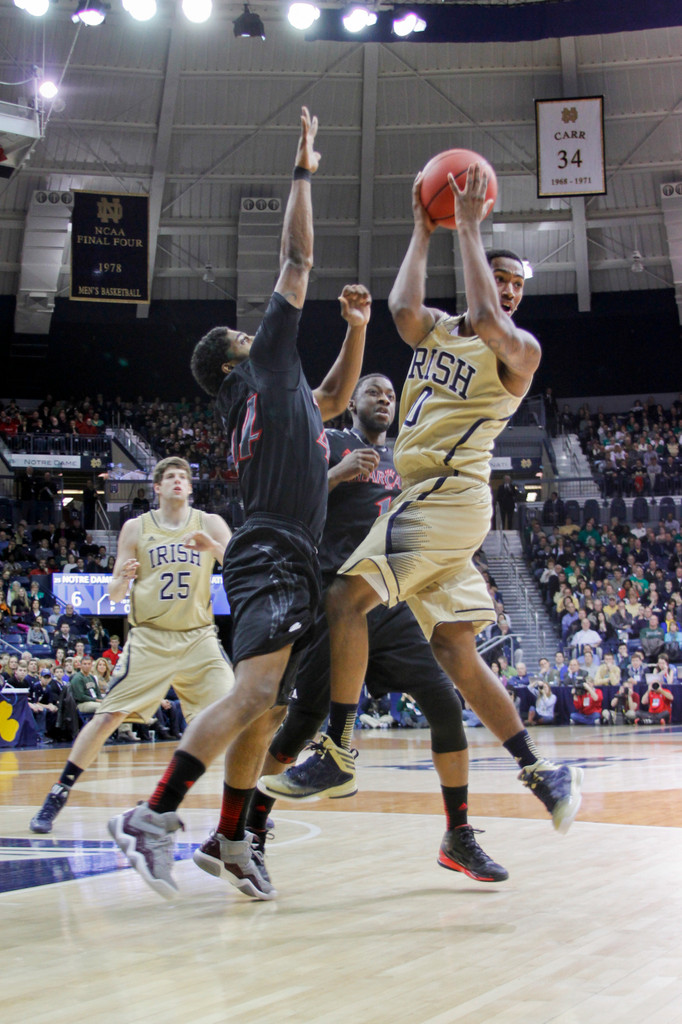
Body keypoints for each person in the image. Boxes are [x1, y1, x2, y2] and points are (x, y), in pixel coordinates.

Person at [261, 159, 582, 834]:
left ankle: (339, 752)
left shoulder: (518, 349)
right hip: (428, 500)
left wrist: (467, 228)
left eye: (520, 284)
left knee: (347, 597)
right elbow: (404, 311)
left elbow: (491, 322)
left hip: (448, 497)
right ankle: (539, 771)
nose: (512, 291)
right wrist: (422, 226)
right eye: (503, 278)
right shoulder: (439, 328)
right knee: (457, 651)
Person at [108, 108, 371, 901]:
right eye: (243, 333)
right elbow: (298, 255)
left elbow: (331, 398)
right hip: (271, 550)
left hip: (286, 549)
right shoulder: (260, 367)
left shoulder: (269, 389)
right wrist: (303, 171)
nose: (254, 333)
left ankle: (228, 838)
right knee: (253, 696)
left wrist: (355, 328)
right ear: (234, 356)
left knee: (266, 710)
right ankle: (155, 816)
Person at [253, 373, 508, 882]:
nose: (385, 400)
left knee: (444, 704)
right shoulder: (330, 444)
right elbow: (291, 506)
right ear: (352, 403)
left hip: (393, 600)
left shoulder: (406, 459)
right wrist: (336, 474)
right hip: (338, 596)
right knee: (303, 724)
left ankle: (458, 836)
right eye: (374, 392)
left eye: (392, 394)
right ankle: (250, 831)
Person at [29, 455, 234, 834]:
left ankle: (242, 806)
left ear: (190, 487)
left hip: (199, 637)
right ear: (156, 488)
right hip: (150, 638)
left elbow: (243, 563)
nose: (177, 481)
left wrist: (214, 548)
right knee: (109, 715)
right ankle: (58, 792)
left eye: (182, 477)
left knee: (233, 720)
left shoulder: (210, 523)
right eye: (169, 477)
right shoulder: (136, 528)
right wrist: (122, 579)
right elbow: (114, 592)